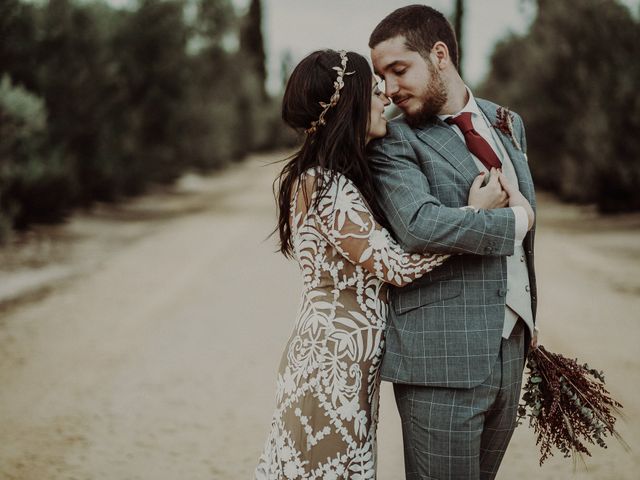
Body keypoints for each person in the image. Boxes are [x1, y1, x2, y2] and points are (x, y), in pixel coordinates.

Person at [254, 49, 509, 479]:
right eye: (374, 92)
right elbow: (397, 266)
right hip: (330, 365)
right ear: (348, 106)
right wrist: (474, 215)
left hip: (346, 361)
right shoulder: (326, 185)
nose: (385, 100)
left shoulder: (333, 178)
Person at [367, 5, 538, 480]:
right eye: (382, 77)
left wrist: (527, 320)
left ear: (439, 54)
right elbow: (419, 226)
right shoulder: (392, 140)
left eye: (398, 70)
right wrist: (516, 223)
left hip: (510, 349)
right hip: (438, 359)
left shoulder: (507, 121)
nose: (390, 89)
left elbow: (522, 255)